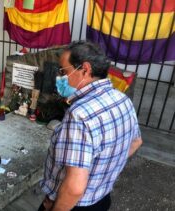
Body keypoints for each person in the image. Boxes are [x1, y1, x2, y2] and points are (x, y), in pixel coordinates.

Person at [39, 41, 142, 211]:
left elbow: (75, 188)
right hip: (102, 199)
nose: (60, 77)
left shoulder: (80, 115)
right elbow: (136, 142)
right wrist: (103, 173)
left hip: (72, 205)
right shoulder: (122, 99)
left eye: (63, 71)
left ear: (85, 70)